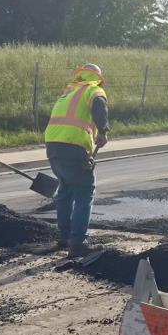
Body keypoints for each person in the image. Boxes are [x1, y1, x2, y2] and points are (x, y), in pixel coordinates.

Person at [44, 63, 110, 258]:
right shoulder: (94, 90)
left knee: (65, 191)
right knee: (85, 191)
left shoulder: (68, 93)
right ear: (98, 78)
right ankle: (78, 243)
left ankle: (64, 237)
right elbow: (99, 107)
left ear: (79, 76)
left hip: (53, 146)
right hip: (73, 146)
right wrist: (103, 130)